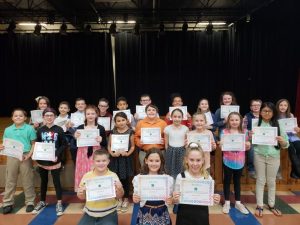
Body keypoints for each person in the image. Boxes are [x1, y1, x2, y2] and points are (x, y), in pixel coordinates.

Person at [254, 102, 289, 217]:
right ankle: (259, 205)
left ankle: (271, 205)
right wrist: (250, 137)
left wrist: (282, 141)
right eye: (264, 111)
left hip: (274, 156)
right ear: (260, 112)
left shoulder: (279, 124)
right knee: (260, 180)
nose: (267, 113)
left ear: (273, 112)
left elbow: (286, 144)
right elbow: (251, 142)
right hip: (259, 155)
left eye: (269, 111)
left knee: (271, 181)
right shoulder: (255, 123)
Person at [173, 143, 220, 225]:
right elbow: (176, 201)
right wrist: (175, 198)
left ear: (203, 160)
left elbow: (211, 199)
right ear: (186, 160)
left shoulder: (207, 178)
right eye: (191, 160)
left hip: (201, 217)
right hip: (184, 216)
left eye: (198, 160)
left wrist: (216, 199)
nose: (195, 164)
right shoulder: (180, 177)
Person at [0, 109, 37, 214]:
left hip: (25, 156)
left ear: (25, 118)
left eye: (21, 116)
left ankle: (30, 202)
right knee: (10, 180)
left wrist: (29, 155)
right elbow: (5, 144)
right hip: (12, 156)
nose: (18, 117)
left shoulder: (30, 129)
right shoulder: (8, 130)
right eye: (15, 116)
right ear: (12, 118)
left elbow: (33, 144)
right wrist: (2, 147)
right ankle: (7, 203)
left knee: (27, 180)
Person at [32, 108, 67, 216]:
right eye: (47, 115)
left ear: (55, 117)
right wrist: (37, 155)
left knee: (57, 182)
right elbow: (37, 144)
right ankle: (42, 201)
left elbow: (64, 144)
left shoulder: (59, 129)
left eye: (51, 115)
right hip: (43, 160)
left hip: (54, 160)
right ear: (43, 117)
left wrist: (56, 155)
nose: (49, 117)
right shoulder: (40, 130)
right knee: (43, 182)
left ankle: (59, 203)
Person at [77, 150, 124, 225]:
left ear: (108, 161)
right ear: (93, 161)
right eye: (98, 161)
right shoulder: (87, 176)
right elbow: (81, 197)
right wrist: (80, 193)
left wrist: (120, 188)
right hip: (90, 213)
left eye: (104, 161)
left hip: (109, 213)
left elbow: (119, 196)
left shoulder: (113, 176)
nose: (101, 163)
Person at [220, 112, 251, 215]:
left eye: (236, 120)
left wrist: (248, 144)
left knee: (237, 181)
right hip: (227, 160)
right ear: (228, 121)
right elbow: (221, 146)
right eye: (232, 120)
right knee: (227, 181)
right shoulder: (224, 132)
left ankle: (238, 202)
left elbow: (247, 146)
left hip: (240, 161)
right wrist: (221, 144)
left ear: (240, 121)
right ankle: (227, 202)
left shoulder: (245, 132)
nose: (234, 122)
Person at [132, 148, 173, 225]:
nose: (154, 164)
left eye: (157, 161)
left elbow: (170, 198)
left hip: (162, 212)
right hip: (145, 212)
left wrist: (170, 200)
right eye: (151, 160)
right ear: (146, 161)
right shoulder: (138, 179)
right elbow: (136, 198)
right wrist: (135, 199)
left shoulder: (167, 179)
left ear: (161, 162)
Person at [74, 105, 107, 192]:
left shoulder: (101, 128)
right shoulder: (80, 128)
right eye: (88, 114)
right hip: (82, 153)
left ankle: (97, 192)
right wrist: (75, 137)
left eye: (93, 113)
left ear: (96, 114)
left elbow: (105, 144)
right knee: (83, 173)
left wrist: (101, 140)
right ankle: (85, 195)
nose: (90, 115)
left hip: (96, 153)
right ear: (85, 115)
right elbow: (75, 144)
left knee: (95, 172)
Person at [108, 112, 135, 213]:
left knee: (125, 179)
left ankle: (126, 199)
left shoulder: (130, 132)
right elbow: (109, 146)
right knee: (117, 179)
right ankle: (119, 198)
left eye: (123, 120)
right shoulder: (113, 132)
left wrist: (128, 154)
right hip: (115, 159)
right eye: (118, 121)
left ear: (127, 121)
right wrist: (112, 154)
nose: (121, 122)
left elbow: (132, 146)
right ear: (115, 122)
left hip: (125, 159)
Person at [276, 99, 300, 179]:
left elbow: (294, 131)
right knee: (292, 150)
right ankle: (298, 172)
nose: (283, 107)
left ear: (288, 107)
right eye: (281, 105)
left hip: (292, 136)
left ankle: (294, 172)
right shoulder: (274, 115)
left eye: (285, 105)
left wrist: (296, 129)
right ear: (278, 106)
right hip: (282, 137)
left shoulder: (291, 115)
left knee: (299, 147)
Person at [164, 108, 189, 179]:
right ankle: (172, 187)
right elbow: (166, 144)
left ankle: (180, 187)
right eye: (175, 116)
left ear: (182, 118)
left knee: (182, 171)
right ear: (171, 117)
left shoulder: (186, 129)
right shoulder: (167, 129)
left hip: (182, 151)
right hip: (171, 152)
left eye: (179, 117)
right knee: (170, 172)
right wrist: (168, 152)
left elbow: (186, 142)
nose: (177, 119)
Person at [243, 99, 262, 179]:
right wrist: (248, 133)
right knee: (251, 148)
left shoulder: (265, 115)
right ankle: (251, 169)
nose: (256, 107)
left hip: (263, 137)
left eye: (258, 105)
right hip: (251, 137)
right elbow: (243, 128)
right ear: (251, 107)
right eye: (254, 105)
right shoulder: (247, 116)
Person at [68, 98, 87, 164]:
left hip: (87, 137)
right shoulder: (72, 116)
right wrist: (70, 127)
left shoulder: (89, 114)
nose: (80, 105)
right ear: (76, 106)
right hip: (76, 138)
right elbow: (69, 129)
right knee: (73, 149)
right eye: (78, 104)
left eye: (82, 104)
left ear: (85, 105)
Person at [54, 101, 71, 167]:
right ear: (58, 108)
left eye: (65, 108)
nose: (63, 109)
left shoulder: (70, 118)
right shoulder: (55, 118)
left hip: (67, 135)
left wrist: (69, 127)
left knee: (63, 142)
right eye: (61, 107)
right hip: (57, 135)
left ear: (68, 110)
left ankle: (62, 162)